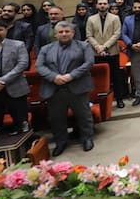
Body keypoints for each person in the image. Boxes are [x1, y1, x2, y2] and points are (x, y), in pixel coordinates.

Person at [35, 21, 95, 156]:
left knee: (84, 116)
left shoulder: (83, 46)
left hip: (77, 87)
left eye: (67, 31)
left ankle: (87, 139)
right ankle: (61, 142)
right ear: (56, 34)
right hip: (54, 88)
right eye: (61, 32)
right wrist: (54, 77)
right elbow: (39, 66)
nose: (64, 34)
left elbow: (89, 63)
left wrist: (71, 76)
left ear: (72, 33)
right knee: (57, 119)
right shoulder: (45, 49)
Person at [86, 0, 126, 108]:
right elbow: (89, 35)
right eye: (100, 4)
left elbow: (117, 34)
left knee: (116, 76)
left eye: (104, 3)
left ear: (108, 5)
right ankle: (100, 101)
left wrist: (104, 47)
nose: (102, 5)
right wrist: (98, 47)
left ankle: (119, 99)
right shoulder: (91, 19)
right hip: (96, 52)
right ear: (96, 5)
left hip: (112, 52)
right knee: (99, 78)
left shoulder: (115, 18)